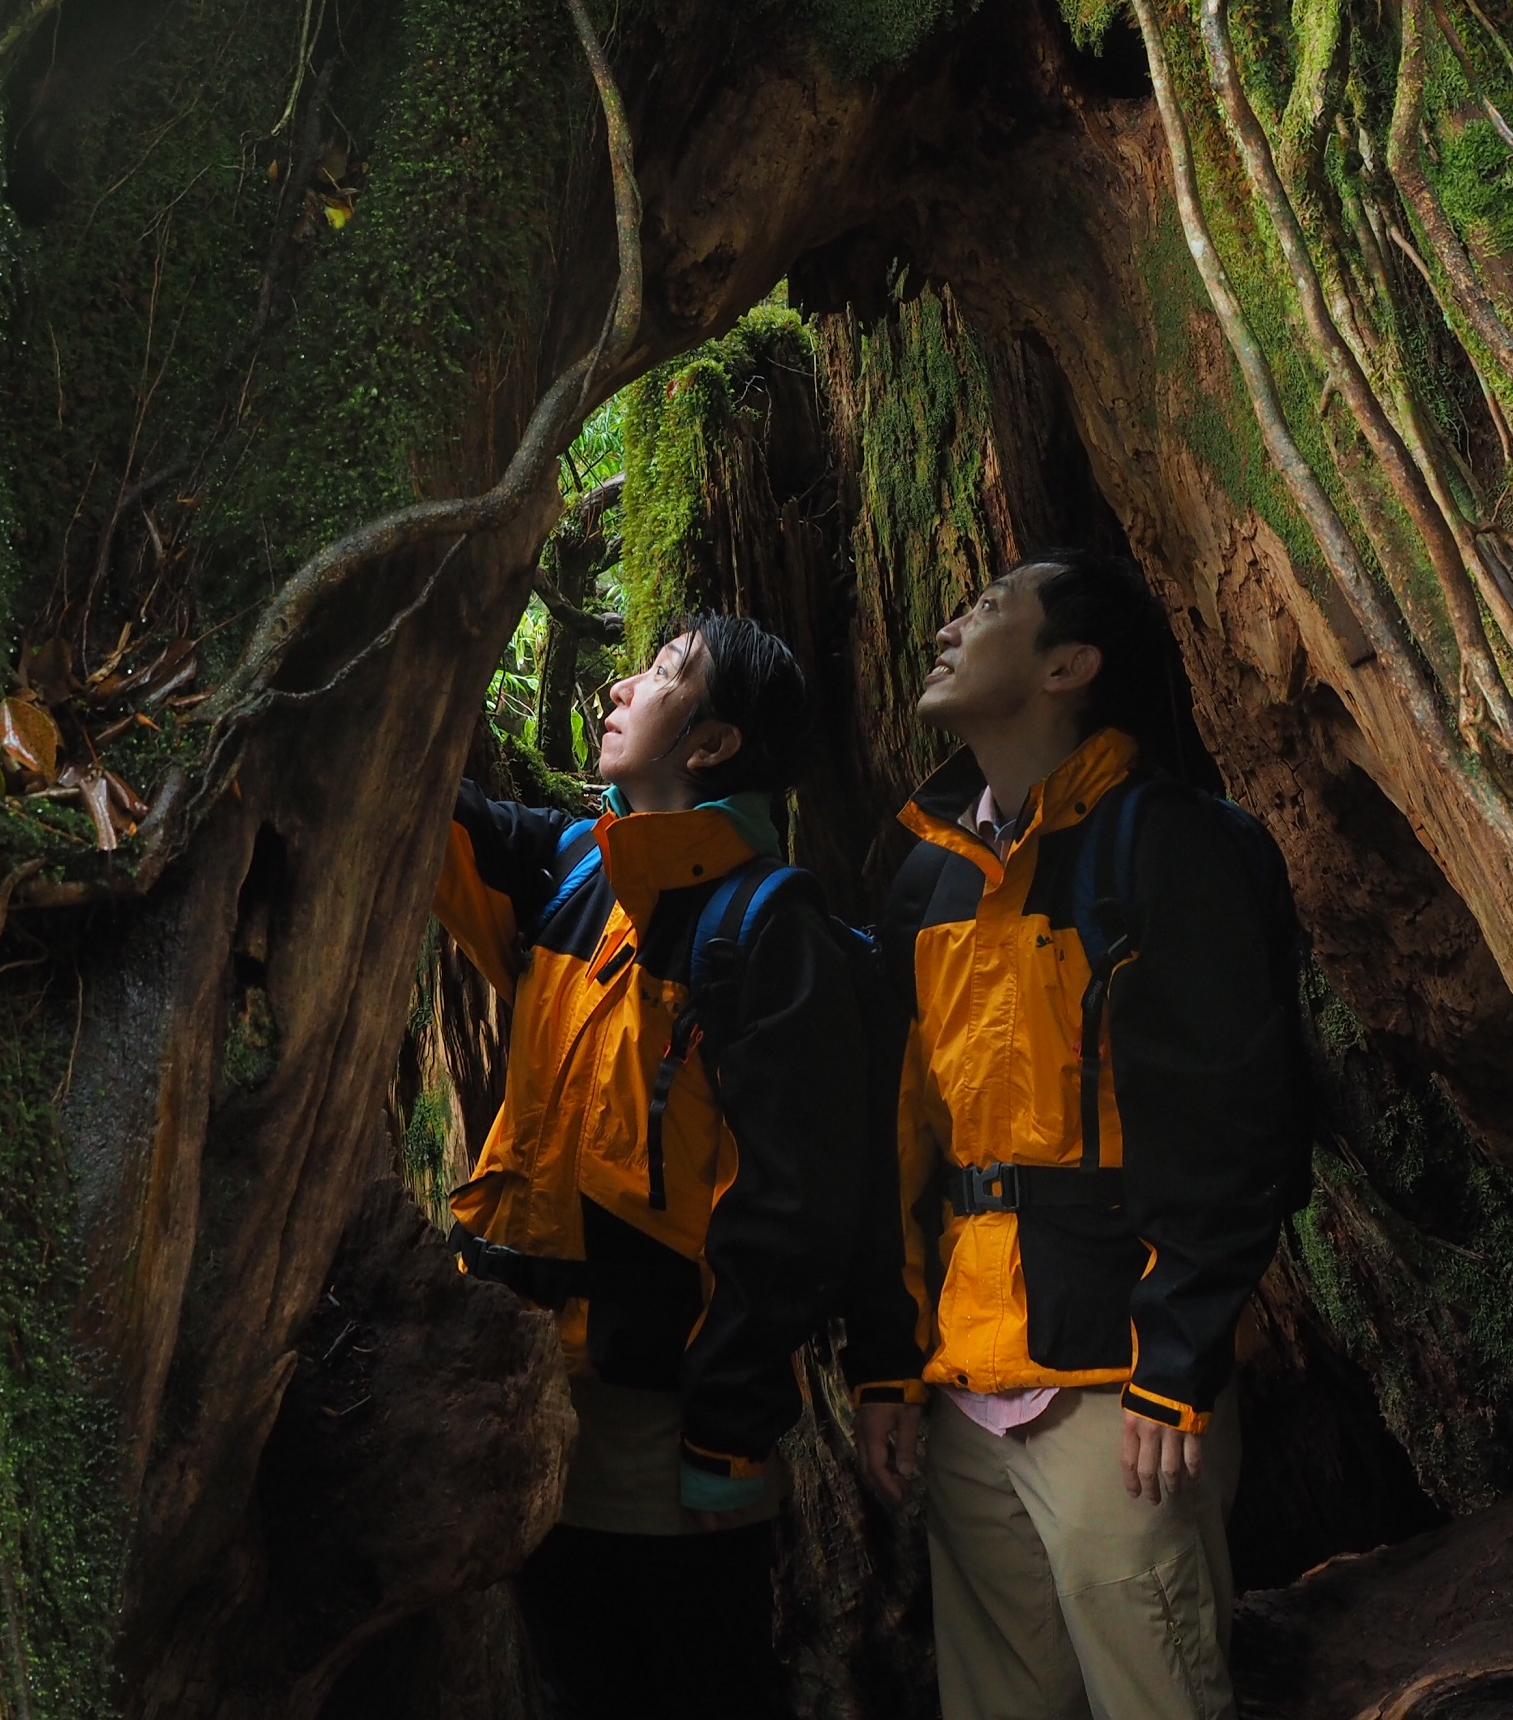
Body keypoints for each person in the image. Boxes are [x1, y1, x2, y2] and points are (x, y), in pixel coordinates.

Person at [846, 552, 1308, 1720]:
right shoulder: (922, 876)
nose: (951, 626)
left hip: (1120, 1386)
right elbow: (899, 1142)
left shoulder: (1168, 844)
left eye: (990, 607)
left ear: (1069, 665)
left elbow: (1238, 1117)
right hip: (967, 1381)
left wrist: (1176, 1365)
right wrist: (889, 1366)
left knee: (1158, 1694)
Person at [433, 614, 867, 1720]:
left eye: (665, 672)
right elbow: (428, 802)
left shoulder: (768, 927)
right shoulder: (577, 867)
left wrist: (728, 1435)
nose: (623, 684)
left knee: (689, 1681)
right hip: (527, 1391)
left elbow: (791, 1207)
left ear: (713, 744)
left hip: (663, 1424)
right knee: (572, 1676)